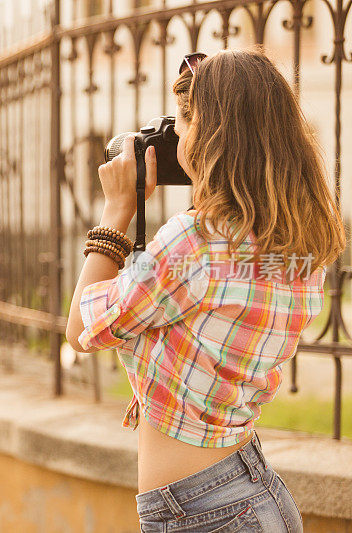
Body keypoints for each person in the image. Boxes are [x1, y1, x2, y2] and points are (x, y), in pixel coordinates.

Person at [65, 47, 345, 532]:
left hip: (203, 513)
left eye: (184, 124)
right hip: (251, 497)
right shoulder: (299, 247)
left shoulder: (195, 243)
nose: (176, 139)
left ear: (211, 137)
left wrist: (115, 214)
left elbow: (82, 328)